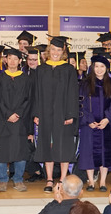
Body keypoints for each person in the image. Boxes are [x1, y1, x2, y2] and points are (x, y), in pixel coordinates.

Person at [33, 37, 79, 193]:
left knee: (63, 145)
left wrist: (70, 114)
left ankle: (63, 179)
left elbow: (73, 93)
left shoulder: (68, 70)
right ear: (48, 50)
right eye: (53, 49)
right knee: (47, 144)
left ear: (63, 52)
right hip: (45, 113)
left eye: (59, 50)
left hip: (63, 113)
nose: (55, 53)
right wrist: (37, 113)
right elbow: (37, 93)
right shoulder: (41, 69)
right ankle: (49, 178)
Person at [78, 55, 111, 192]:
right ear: (92, 67)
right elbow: (81, 105)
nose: (99, 69)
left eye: (102, 67)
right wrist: (89, 121)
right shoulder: (84, 84)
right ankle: (90, 182)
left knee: (105, 152)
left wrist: (107, 119)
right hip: (90, 125)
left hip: (107, 125)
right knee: (89, 152)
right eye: (96, 66)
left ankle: (102, 182)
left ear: (106, 68)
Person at [0, 48, 32, 192]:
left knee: (20, 151)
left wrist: (18, 114)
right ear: (5, 60)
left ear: (20, 61)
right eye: (9, 58)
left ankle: (18, 179)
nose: (12, 61)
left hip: (20, 121)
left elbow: (28, 99)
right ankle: (3, 179)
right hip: (3, 121)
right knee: (3, 151)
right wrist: (7, 114)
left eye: (15, 59)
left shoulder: (26, 79)